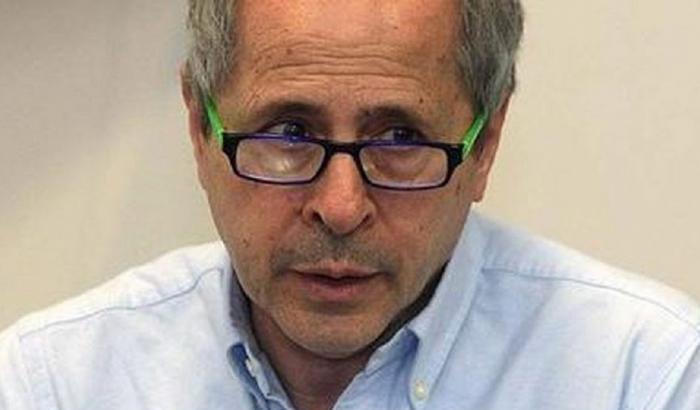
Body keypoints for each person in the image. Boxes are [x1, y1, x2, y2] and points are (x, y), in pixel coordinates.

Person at [1, 0, 699, 409]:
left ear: (486, 144)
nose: (340, 207)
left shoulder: (645, 378)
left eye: (401, 138)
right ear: (198, 125)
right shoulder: (53, 384)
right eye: (288, 132)